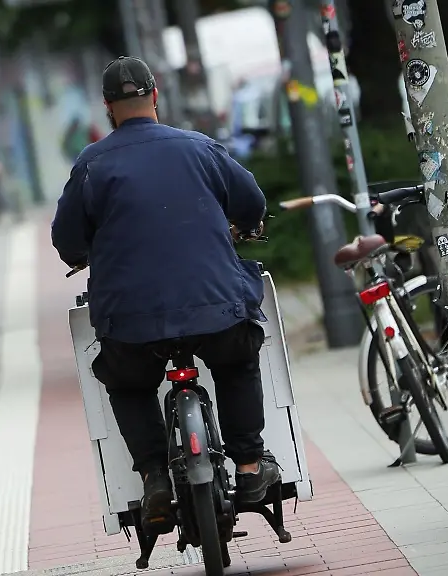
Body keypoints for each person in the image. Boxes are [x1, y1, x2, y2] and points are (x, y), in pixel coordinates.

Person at [51, 56, 280, 536]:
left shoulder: (91, 164)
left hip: (131, 320)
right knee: (237, 362)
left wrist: (80, 252)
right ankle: (250, 468)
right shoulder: (200, 148)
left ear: (109, 108)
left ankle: (154, 476)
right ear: (155, 96)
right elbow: (252, 201)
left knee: (128, 382)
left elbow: (66, 238)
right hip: (216, 306)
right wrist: (245, 224)